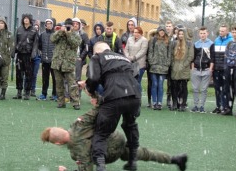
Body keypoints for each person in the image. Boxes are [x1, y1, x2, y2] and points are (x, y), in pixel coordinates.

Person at [41, 106, 188, 171]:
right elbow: (98, 108)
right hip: (117, 138)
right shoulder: (79, 123)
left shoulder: (75, 152)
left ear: (58, 143)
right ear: (61, 128)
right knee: (142, 153)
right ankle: (175, 159)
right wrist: (90, 90)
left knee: (107, 157)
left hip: (108, 154)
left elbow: (86, 168)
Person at [79, 41, 141, 171]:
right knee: (130, 125)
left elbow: (94, 78)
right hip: (134, 95)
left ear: (96, 52)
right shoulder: (124, 58)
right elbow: (135, 74)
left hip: (114, 96)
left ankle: (100, 165)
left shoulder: (97, 57)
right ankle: (132, 160)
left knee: (101, 132)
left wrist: (90, 89)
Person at [51, 18, 81, 110]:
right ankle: (61, 102)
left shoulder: (76, 35)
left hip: (69, 63)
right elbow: (52, 39)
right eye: (66, 26)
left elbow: (75, 44)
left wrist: (69, 34)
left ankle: (76, 103)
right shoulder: (59, 33)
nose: (68, 28)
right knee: (59, 84)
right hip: (57, 63)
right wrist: (60, 31)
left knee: (72, 84)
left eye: (70, 26)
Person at [13, 13, 39, 100]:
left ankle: (27, 92)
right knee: (19, 74)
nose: (26, 20)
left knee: (29, 74)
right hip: (20, 54)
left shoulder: (34, 30)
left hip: (29, 55)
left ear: (30, 20)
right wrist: (14, 52)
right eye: (24, 18)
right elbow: (15, 41)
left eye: (27, 19)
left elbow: (36, 43)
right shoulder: (19, 29)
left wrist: (33, 53)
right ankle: (19, 92)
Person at [147, 26, 172, 110]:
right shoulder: (153, 40)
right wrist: (151, 61)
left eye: (163, 31)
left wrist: (167, 63)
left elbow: (169, 54)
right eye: (160, 31)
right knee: (154, 84)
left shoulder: (168, 41)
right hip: (154, 66)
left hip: (163, 67)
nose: (161, 32)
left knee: (160, 85)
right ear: (158, 32)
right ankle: (154, 102)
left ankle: (160, 102)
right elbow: (150, 51)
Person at [191, 26, 214, 113]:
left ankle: (202, 106)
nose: (202, 35)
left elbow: (212, 58)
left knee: (204, 89)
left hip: (206, 69)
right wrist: (192, 68)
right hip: (196, 70)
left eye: (204, 33)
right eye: (201, 33)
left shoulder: (211, 44)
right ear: (199, 34)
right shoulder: (196, 44)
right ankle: (196, 105)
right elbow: (193, 57)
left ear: (207, 33)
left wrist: (210, 69)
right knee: (195, 88)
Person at [170, 28, 194, 111]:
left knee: (183, 87)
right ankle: (175, 103)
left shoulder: (189, 44)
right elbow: (171, 55)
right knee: (174, 86)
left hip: (184, 68)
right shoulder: (174, 43)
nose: (180, 35)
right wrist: (173, 64)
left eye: (182, 34)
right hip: (175, 68)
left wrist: (184, 64)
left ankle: (183, 104)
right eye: (179, 34)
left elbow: (190, 56)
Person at [212, 24, 233, 114]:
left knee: (225, 89)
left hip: (225, 69)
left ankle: (225, 107)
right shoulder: (216, 40)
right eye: (220, 31)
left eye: (223, 31)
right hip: (217, 68)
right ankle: (218, 106)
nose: (221, 32)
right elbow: (214, 55)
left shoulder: (231, 41)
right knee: (217, 88)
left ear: (227, 31)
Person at [0, 17, 14, 100]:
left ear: (5, 24)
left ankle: (3, 94)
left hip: (5, 59)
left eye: (2, 23)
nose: (0, 25)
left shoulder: (9, 34)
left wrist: (5, 57)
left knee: (4, 77)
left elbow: (11, 47)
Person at [37, 18, 57, 101]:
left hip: (54, 61)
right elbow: (39, 46)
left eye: (50, 23)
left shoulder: (56, 35)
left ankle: (55, 94)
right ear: (45, 25)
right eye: (47, 23)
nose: (49, 25)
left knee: (55, 78)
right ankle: (44, 94)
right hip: (45, 60)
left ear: (53, 25)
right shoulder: (42, 35)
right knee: (45, 78)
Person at [124, 26, 148, 93]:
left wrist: (134, 57)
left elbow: (143, 51)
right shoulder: (129, 39)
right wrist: (127, 57)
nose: (136, 34)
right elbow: (126, 49)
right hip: (130, 64)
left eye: (138, 32)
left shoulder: (144, 40)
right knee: (130, 81)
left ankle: (138, 98)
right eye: (135, 32)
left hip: (140, 65)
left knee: (137, 81)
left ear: (141, 33)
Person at [223, 25, 236, 117]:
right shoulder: (229, 43)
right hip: (229, 68)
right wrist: (225, 67)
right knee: (229, 89)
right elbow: (225, 56)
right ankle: (228, 108)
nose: (234, 34)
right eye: (233, 32)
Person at [72, 17, 89, 98]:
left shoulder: (83, 35)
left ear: (79, 25)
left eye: (77, 24)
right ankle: (68, 95)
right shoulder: (69, 33)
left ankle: (77, 95)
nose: (75, 25)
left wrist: (81, 57)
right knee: (68, 77)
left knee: (77, 78)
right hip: (69, 59)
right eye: (73, 24)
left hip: (78, 59)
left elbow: (87, 47)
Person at [29, 20, 41, 97]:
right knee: (28, 74)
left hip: (37, 57)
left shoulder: (41, 36)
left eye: (37, 26)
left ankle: (33, 89)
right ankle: (27, 88)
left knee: (34, 74)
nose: (36, 28)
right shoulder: (30, 35)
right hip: (30, 57)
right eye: (35, 26)